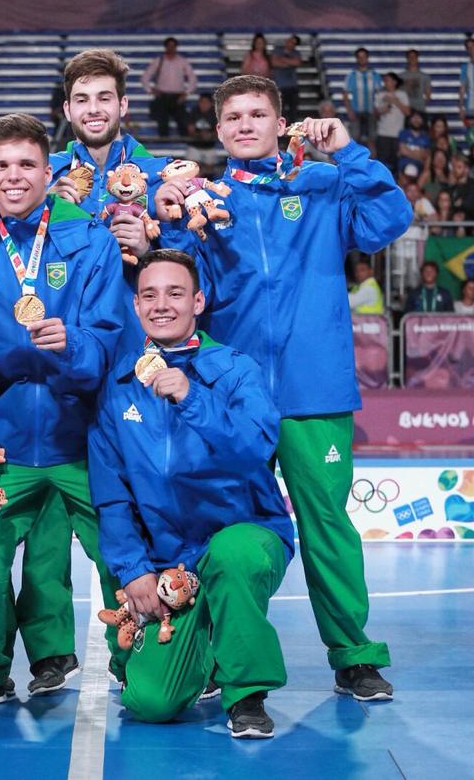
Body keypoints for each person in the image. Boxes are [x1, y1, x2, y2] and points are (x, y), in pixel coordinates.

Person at [155, 74, 408, 701]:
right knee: (223, 526)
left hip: (314, 390)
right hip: (232, 394)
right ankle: (219, 654)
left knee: (327, 523)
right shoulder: (206, 201)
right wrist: (174, 224)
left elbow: (388, 220)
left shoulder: (320, 185)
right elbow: (186, 286)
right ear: (218, 131)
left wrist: (348, 151)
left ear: (280, 122)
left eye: (257, 114)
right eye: (233, 116)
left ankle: (353, 655)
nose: (245, 124)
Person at [0, 113, 127, 703]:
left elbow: (109, 336)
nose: (13, 177)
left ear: (50, 172)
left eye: (26, 165)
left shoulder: (89, 240)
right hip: (3, 443)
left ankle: (144, 661)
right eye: (0, 166)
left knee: (125, 553)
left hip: (85, 441)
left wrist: (72, 345)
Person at [90, 249, 295, 738]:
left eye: (176, 293)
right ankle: (199, 649)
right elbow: (112, 496)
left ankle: (246, 695)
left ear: (198, 301)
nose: (163, 305)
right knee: (151, 703)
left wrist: (192, 396)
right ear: (136, 306)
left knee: (233, 555)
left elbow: (256, 448)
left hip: (243, 536)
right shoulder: (118, 387)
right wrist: (135, 569)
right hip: (169, 564)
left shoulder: (234, 370)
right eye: (150, 295)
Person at [49, 49, 169, 351]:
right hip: (66, 344)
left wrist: (148, 251)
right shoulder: (43, 179)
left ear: (122, 104)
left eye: (104, 98)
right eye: (82, 99)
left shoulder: (159, 177)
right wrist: (40, 213)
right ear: (67, 109)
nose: (93, 109)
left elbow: (193, 275)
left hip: (136, 347)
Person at [141, 37, 196, 137]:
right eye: (169, 46)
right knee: (162, 122)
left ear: (176, 47)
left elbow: (192, 78)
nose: (171, 48)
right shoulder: (159, 61)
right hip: (163, 95)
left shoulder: (182, 61)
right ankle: (164, 142)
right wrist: (150, 90)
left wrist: (186, 93)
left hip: (178, 96)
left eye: (173, 46)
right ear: (165, 47)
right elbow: (145, 77)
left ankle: (184, 143)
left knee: (182, 121)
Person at [342, 47, 382, 149]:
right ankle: (355, 162)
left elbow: (380, 94)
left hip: (371, 111)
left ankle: (372, 162)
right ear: (356, 59)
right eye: (359, 57)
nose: (362, 59)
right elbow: (345, 94)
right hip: (356, 111)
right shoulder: (352, 75)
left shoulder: (374, 75)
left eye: (364, 57)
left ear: (367, 58)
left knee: (372, 139)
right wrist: (349, 111)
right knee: (354, 138)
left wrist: (378, 109)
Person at [373, 72, 409, 173]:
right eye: (384, 81)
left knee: (397, 162)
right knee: (383, 162)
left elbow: (407, 112)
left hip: (397, 134)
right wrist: (384, 108)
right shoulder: (380, 95)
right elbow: (376, 113)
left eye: (387, 80)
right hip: (383, 133)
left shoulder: (402, 95)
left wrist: (395, 101)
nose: (385, 83)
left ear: (394, 82)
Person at [271, 35, 303, 125]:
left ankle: (292, 132)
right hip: (279, 86)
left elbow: (297, 62)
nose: (290, 43)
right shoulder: (278, 49)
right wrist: (290, 62)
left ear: (295, 45)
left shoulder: (296, 53)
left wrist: (282, 60)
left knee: (293, 112)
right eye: (289, 40)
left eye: (293, 42)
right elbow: (274, 63)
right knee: (280, 111)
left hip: (293, 86)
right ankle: (280, 132)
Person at [398, 110, 431, 177]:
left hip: (419, 167)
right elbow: (403, 151)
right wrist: (419, 156)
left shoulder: (425, 137)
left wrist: (409, 152)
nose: (416, 120)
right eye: (414, 117)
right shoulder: (404, 133)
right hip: (403, 165)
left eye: (419, 118)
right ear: (409, 119)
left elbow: (426, 154)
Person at [401, 49, 432, 119]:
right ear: (407, 59)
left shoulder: (425, 76)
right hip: (405, 110)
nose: (412, 59)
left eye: (414, 57)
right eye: (410, 57)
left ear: (417, 59)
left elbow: (428, 95)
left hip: (420, 109)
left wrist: (421, 104)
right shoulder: (400, 76)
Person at [460, 37, 474, 135]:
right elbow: (463, 88)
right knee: (471, 134)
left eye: (473, 46)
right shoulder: (466, 67)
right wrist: (460, 107)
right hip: (471, 105)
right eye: (469, 48)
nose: (471, 49)